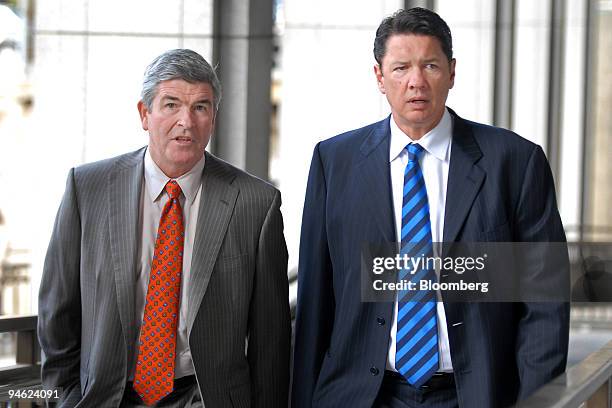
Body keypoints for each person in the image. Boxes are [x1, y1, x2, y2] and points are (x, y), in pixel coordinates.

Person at [292, 8, 569, 408]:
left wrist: (538, 402)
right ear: (379, 77)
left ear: (452, 73)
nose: (416, 82)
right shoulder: (334, 162)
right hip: (362, 394)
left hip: (473, 394)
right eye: (401, 67)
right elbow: (315, 301)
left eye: (431, 66)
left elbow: (544, 302)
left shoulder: (514, 162)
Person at [38, 49, 291, 407]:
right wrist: (64, 399)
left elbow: (270, 340)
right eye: (171, 104)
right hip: (107, 397)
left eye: (200, 107)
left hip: (205, 397)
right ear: (145, 114)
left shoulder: (255, 203)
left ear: (214, 118)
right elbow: (57, 315)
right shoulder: (87, 188)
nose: (186, 121)